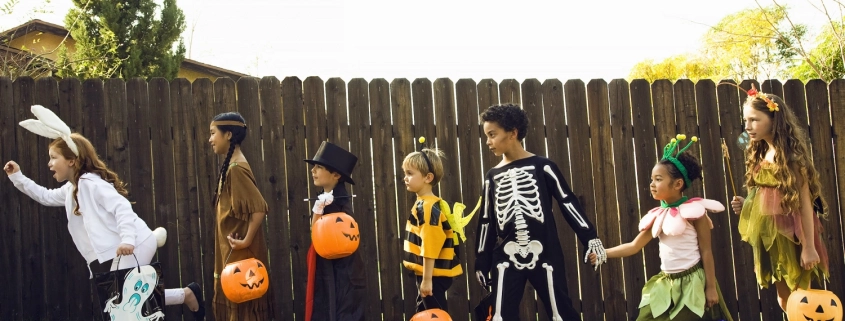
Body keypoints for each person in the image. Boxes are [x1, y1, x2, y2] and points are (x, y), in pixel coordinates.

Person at [5, 105, 203, 320]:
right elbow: (44, 196)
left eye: (54, 158)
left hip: (134, 243)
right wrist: (18, 176)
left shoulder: (90, 183)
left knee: (122, 303)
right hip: (127, 246)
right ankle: (187, 294)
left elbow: (122, 208)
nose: (49, 163)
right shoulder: (72, 188)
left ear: (71, 160)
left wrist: (128, 239)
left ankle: (187, 294)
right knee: (119, 300)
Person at [473, 104, 606, 321]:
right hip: (506, 255)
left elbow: (567, 202)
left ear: (513, 133)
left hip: (545, 251)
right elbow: (486, 220)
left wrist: (590, 238)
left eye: (492, 135)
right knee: (500, 315)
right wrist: (482, 260)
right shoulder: (492, 175)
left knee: (561, 312)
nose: (488, 141)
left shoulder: (543, 166)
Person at [590, 135, 733, 320]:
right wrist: (603, 253)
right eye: (652, 179)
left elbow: (706, 252)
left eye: (658, 179)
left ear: (678, 184)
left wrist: (711, 287)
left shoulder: (695, 213)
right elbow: (634, 246)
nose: (652, 184)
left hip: (693, 282)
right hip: (667, 282)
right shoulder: (658, 216)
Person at [728, 83, 829, 311]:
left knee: (800, 296)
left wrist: (809, 247)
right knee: (784, 298)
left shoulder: (791, 158)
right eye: (746, 120)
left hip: (790, 237)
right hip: (769, 237)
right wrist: (747, 206)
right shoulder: (763, 151)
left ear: (773, 120)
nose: (748, 126)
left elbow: (805, 206)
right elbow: (767, 195)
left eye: (754, 120)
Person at [208, 112, 273, 320]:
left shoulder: (236, 169)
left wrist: (245, 242)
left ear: (228, 135)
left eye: (212, 133)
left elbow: (259, 209)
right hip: (232, 256)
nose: (210, 139)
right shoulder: (231, 167)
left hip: (240, 260)